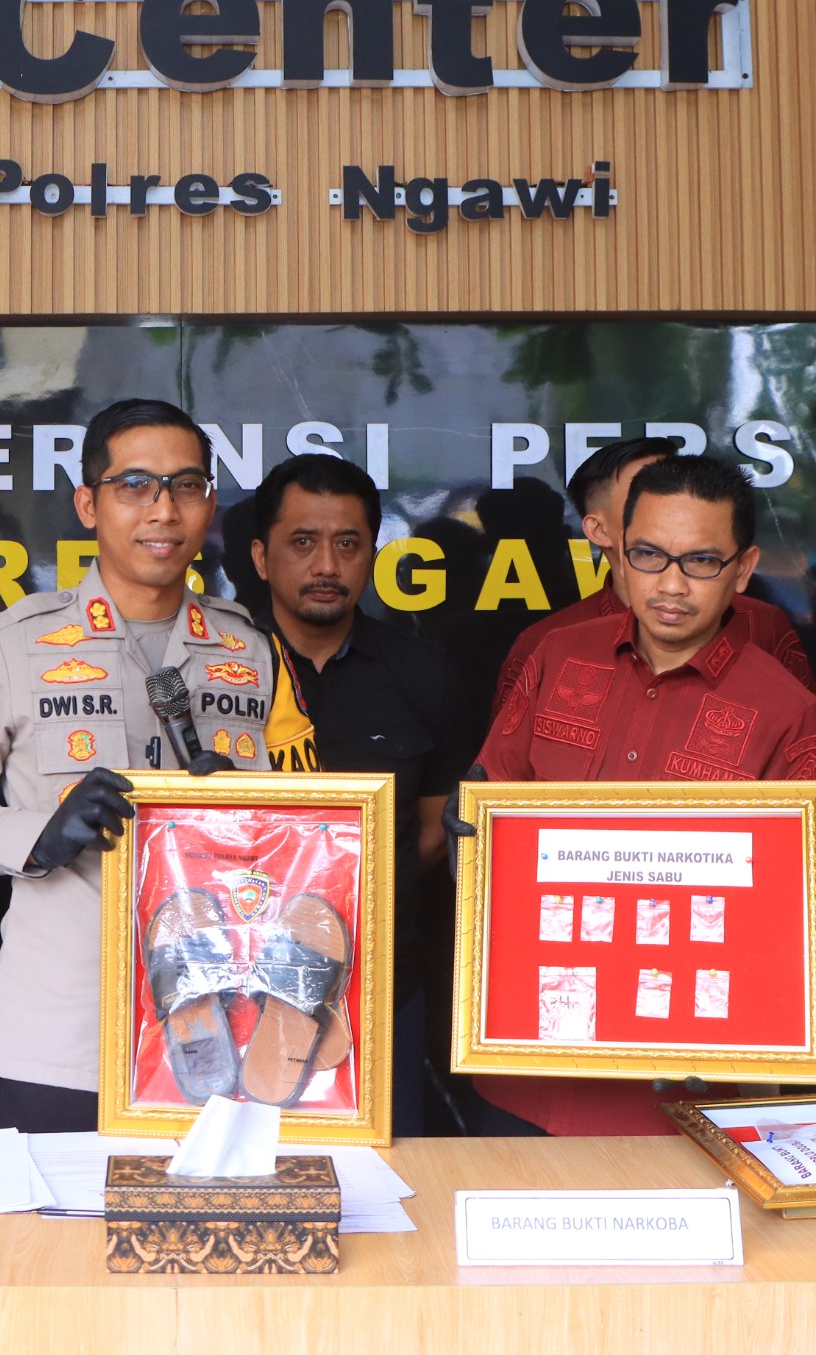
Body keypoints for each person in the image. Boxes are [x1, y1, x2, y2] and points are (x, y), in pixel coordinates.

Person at [0, 399, 278, 1133]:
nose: (163, 509)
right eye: (135, 485)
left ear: (209, 505)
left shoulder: (251, 649)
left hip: (227, 1019)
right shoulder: (16, 642)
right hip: (64, 1029)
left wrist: (247, 817)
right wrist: (39, 837)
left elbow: (305, 829)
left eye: (186, 485)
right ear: (87, 505)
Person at [467, 454, 816, 1135]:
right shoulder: (556, 658)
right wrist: (475, 834)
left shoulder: (787, 711)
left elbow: (808, 909)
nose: (670, 584)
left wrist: (739, 1023)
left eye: (701, 561)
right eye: (648, 555)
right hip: (528, 1068)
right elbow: (492, 807)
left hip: (688, 1087)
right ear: (617, 551)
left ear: (743, 569)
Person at [248, 454, 472, 1136]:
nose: (327, 565)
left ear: (372, 553)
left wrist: (349, 905)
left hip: (383, 984)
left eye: (348, 544)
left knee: (384, 1167)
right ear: (261, 557)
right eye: (303, 542)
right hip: (237, 983)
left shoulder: (423, 674)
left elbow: (433, 828)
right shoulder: (215, 668)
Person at [490, 436, 815, 721]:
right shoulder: (547, 645)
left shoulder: (761, 626)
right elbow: (505, 769)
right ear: (598, 530)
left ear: (743, 567)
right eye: (647, 490)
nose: (673, 503)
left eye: (676, 483)